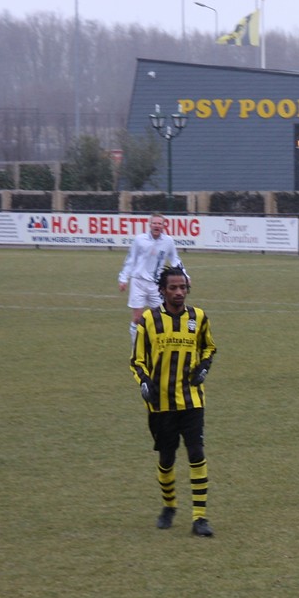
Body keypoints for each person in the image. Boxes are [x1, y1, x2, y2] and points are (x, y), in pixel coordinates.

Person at [130, 265, 217, 537]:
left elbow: (209, 347)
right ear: (162, 291)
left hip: (192, 401)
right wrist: (144, 382)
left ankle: (200, 518)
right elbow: (137, 360)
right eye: (173, 288)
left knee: (196, 453)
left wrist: (204, 367)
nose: (179, 292)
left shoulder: (198, 317)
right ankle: (169, 506)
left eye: (182, 287)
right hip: (161, 404)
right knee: (167, 459)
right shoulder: (148, 320)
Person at [118, 212, 187, 347]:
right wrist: (123, 278)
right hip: (138, 282)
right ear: (150, 225)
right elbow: (131, 259)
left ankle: (158, 346)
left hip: (156, 285)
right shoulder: (140, 240)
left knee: (161, 316)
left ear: (163, 226)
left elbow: (175, 259)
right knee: (137, 318)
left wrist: (185, 275)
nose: (157, 225)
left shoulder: (168, 241)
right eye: (154, 223)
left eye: (159, 223)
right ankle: (136, 349)